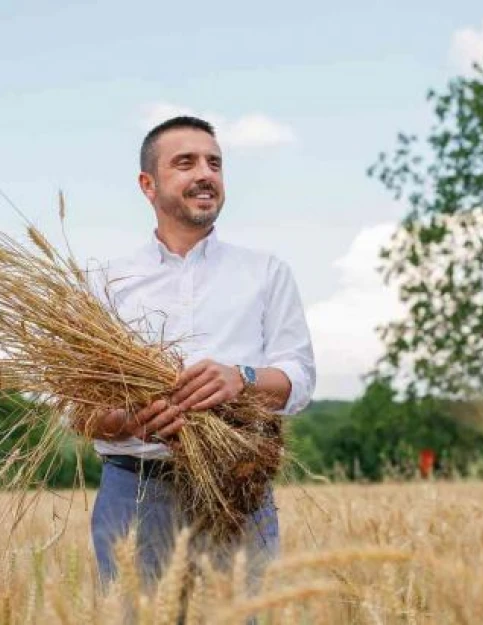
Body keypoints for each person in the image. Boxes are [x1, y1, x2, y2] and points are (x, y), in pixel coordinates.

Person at [74, 115, 316, 588]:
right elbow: (76, 408)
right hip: (134, 491)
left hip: (238, 491)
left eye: (214, 163)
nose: (205, 174)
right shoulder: (105, 283)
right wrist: (128, 421)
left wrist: (241, 378)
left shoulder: (266, 272)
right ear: (148, 184)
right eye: (185, 163)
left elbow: (300, 378)